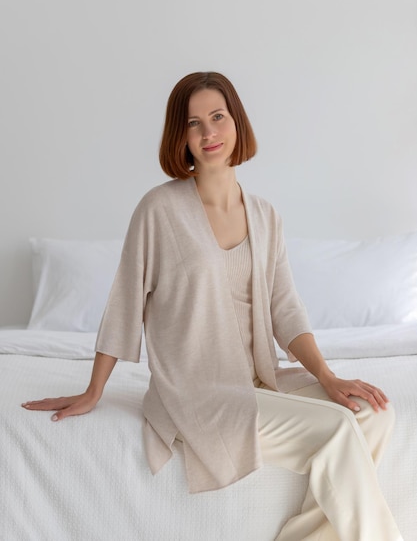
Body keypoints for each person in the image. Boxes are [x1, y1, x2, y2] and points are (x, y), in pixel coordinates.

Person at [22, 72, 403, 541]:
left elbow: (285, 308)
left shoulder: (265, 215)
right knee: (338, 432)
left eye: (217, 117)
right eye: (193, 123)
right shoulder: (158, 210)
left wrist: (328, 377)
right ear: (179, 136)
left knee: (373, 412)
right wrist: (93, 391)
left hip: (258, 377)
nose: (208, 133)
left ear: (236, 122)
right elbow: (125, 301)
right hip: (199, 391)